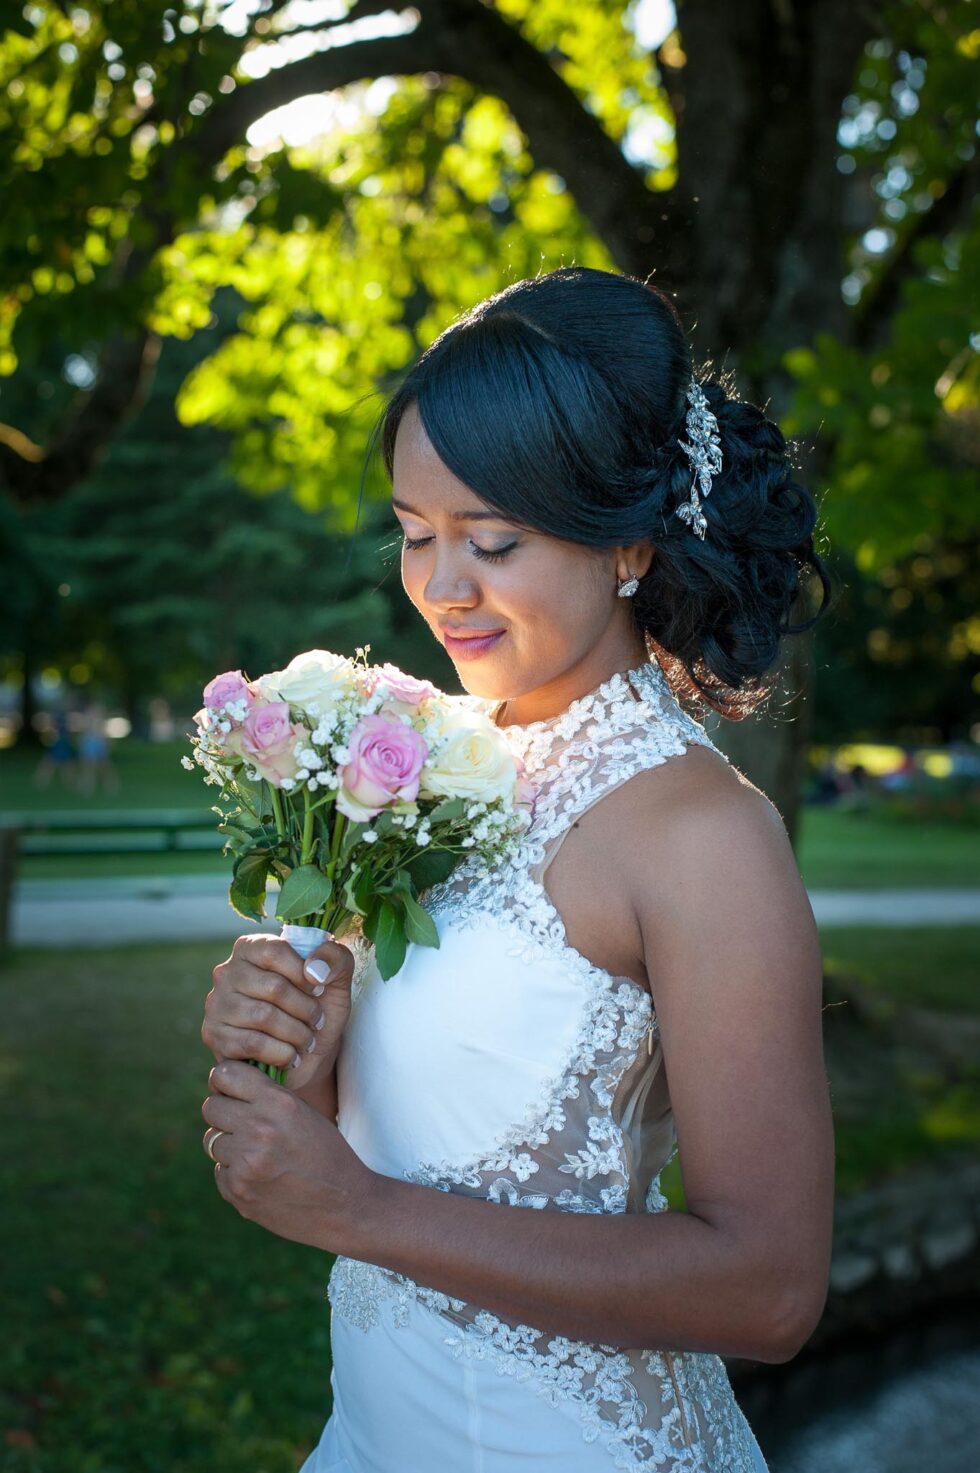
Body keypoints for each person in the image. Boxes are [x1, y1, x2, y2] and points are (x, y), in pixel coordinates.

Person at [200, 266, 836, 1471]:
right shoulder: (438, 765)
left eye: (492, 539)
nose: (443, 588)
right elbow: (444, 1120)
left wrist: (358, 1213)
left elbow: (767, 1288)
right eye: (412, 532)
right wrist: (307, 1046)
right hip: (381, 1429)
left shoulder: (701, 836)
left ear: (630, 542)